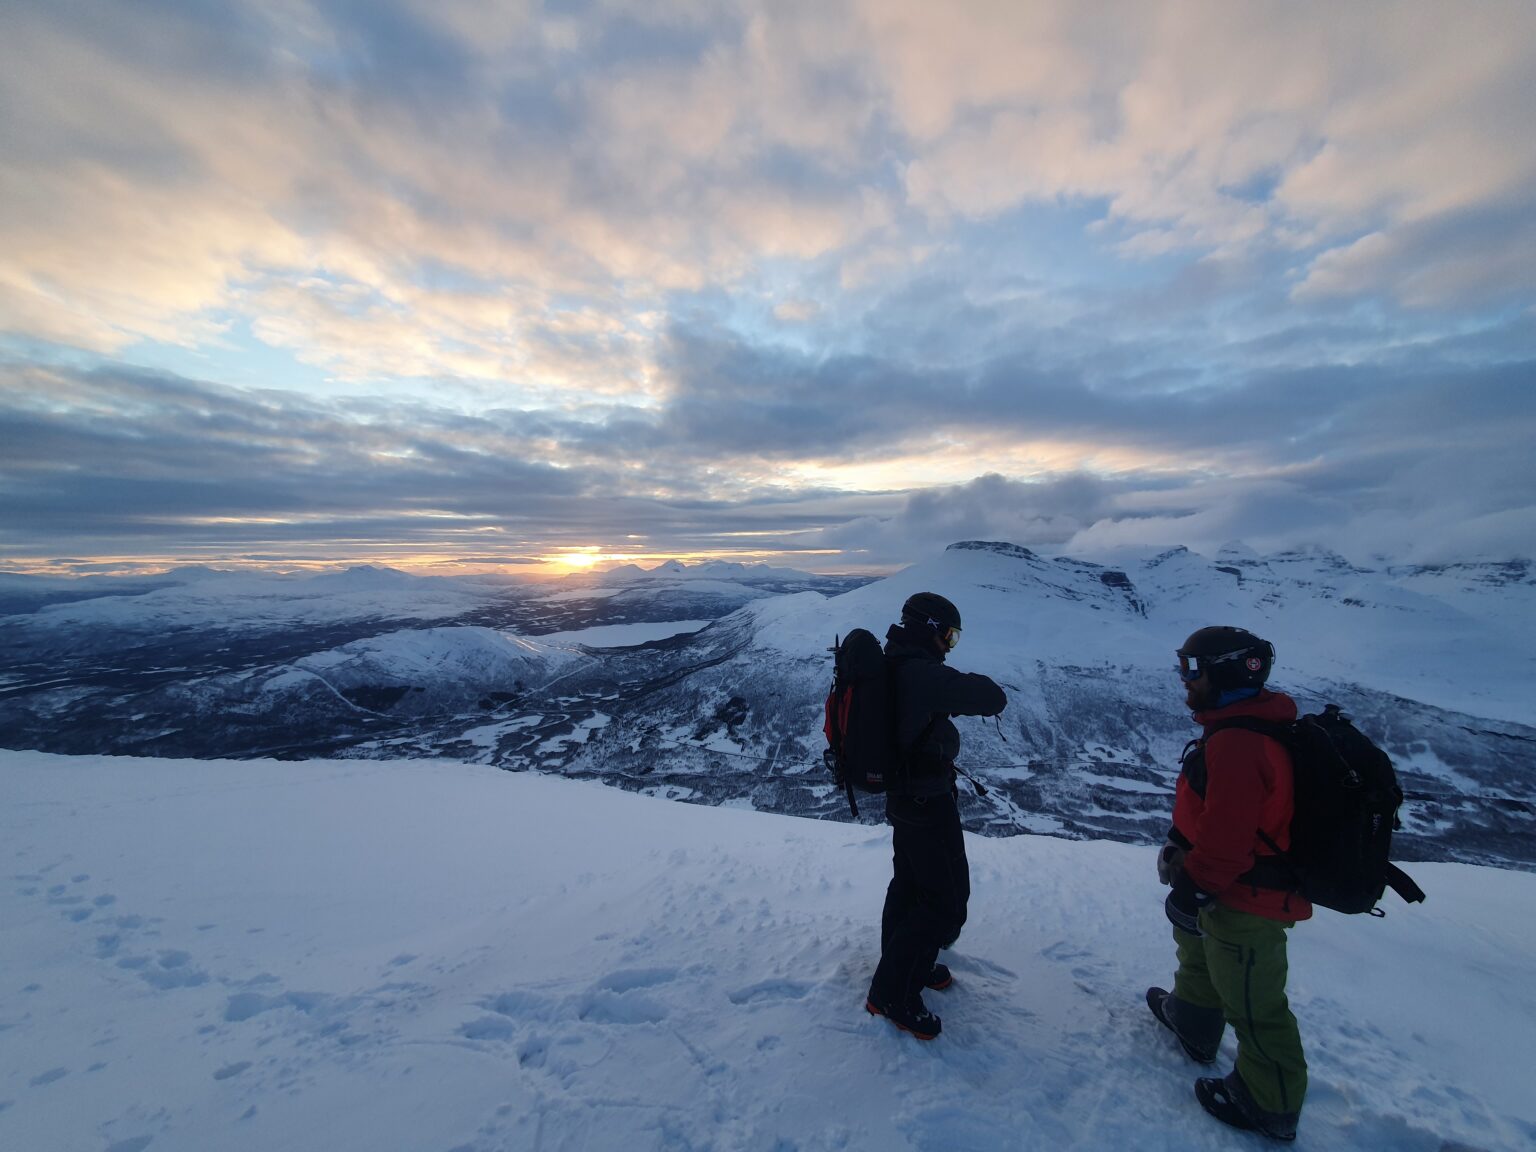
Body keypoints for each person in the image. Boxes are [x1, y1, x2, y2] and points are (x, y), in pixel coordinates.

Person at [1147, 626, 1309, 1142]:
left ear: (1230, 671)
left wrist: (1193, 890)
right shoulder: (1235, 728)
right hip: (1221, 884)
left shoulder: (1239, 743)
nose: (1185, 679)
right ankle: (1193, 1020)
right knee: (1199, 952)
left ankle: (1269, 1101)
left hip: (1244, 897)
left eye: (1193, 669)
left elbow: (1228, 839)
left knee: (1253, 999)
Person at [864, 592, 1006, 1041]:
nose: (950, 644)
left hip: (906, 799)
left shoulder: (893, 662)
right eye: (949, 635)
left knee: (908, 885)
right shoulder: (922, 674)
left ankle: (907, 965)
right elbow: (991, 697)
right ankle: (893, 994)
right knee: (941, 901)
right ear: (930, 629)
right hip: (926, 802)